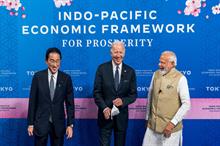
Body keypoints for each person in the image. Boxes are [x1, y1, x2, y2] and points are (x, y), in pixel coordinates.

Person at [27, 47, 74, 146]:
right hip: (41, 123)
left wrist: (70, 125)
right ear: (46, 61)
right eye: (52, 61)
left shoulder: (66, 79)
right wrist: (30, 123)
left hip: (58, 124)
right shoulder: (38, 77)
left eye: (57, 61)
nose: (55, 64)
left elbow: (70, 104)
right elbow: (32, 102)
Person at [142, 51, 191, 146]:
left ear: (172, 64)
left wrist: (172, 124)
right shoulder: (155, 74)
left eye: (163, 62)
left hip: (170, 130)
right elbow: (150, 96)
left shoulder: (181, 79)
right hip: (152, 127)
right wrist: (147, 118)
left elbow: (186, 104)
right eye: (160, 62)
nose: (159, 64)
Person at [93, 41, 137, 146]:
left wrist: (123, 101)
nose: (118, 55)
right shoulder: (102, 69)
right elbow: (96, 92)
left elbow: (133, 95)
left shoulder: (130, 71)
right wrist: (104, 108)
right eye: (116, 52)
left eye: (120, 52)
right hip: (105, 117)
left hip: (121, 118)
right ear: (111, 53)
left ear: (124, 53)